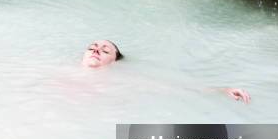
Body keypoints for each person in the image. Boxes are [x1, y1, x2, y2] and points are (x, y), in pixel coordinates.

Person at [81, 39, 251, 103]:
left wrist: (222, 91)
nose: (96, 51)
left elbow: (174, 88)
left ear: (115, 62)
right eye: (92, 48)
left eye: (105, 51)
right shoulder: (57, 71)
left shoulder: (125, 79)